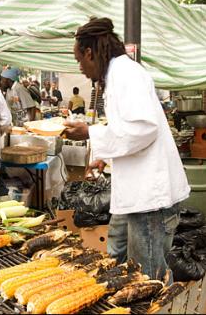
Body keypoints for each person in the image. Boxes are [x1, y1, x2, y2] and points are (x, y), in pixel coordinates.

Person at [63, 17, 190, 281]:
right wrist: (103, 157)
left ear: (90, 53)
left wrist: (89, 132)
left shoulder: (126, 74)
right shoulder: (115, 75)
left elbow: (143, 129)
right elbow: (124, 128)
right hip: (134, 191)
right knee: (115, 249)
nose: (81, 68)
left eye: (79, 60)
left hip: (150, 199)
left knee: (148, 274)